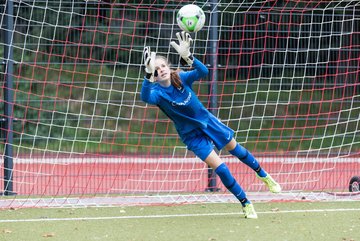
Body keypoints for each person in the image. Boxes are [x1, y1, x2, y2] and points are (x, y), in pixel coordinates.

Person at [140, 31, 281, 219]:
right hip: (191, 135)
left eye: (163, 65)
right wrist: (147, 75)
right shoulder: (157, 93)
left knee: (237, 150)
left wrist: (188, 56)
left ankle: (264, 175)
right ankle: (246, 203)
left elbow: (203, 72)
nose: (161, 70)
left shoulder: (180, 78)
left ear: (169, 66)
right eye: (156, 70)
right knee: (221, 168)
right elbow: (145, 97)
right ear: (154, 75)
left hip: (208, 122)